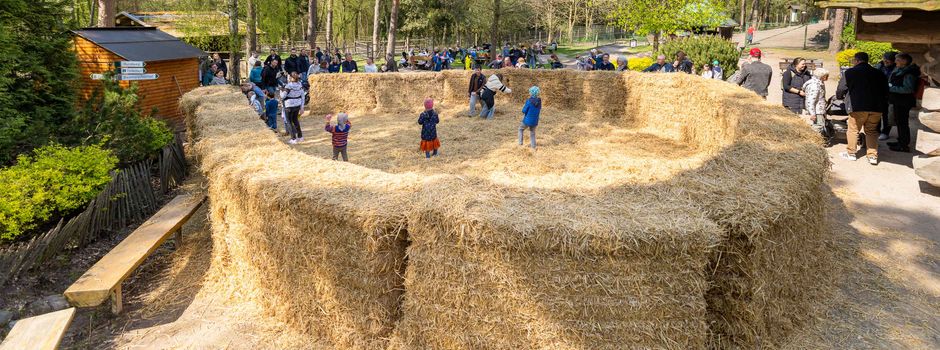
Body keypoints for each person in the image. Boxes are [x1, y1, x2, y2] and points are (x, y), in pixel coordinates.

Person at [836, 52, 889, 164]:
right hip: (876, 107)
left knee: (853, 130)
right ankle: (872, 156)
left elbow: (841, 89)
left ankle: (851, 153)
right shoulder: (879, 73)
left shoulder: (850, 72)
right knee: (872, 131)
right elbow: (886, 91)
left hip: (857, 106)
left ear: (856, 60)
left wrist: (840, 97)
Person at [887, 53, 920, 153]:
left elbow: (908, 89)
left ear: (904, 61)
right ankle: (900, 141)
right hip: (898, 100)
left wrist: (891, 88)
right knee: (899, 122)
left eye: (898, 60)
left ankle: (903, 145)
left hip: (903, 101)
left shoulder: (909, 73)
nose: (895, 61)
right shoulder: (901, 70)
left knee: (902, 123)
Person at [802, 68, 830, 141]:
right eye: (826, 76)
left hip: (820, 108)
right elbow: (811, 100)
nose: (827, 77)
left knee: (820, 125)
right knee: (818, 126)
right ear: (822, 76)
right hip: (817, 110)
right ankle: (812, 141)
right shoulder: (815, 85)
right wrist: (812, 113)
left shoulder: (819, 83)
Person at [876, 52, 898, 140]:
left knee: (887, 115)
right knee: (877, 113)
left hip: (890, 94)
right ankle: (876, 131)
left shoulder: (896, 68)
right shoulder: (880, 66)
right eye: (884, 59)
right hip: (879, 93)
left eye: (888, 60)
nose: (885, 61)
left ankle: (885, 132)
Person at [281, 73, 305, 144]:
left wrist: (281, 91)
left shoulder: (288, 86)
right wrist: (302, 107)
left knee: (289, 121)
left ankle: (293, 138)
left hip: (289, 105)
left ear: (291, 78)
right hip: (297, 105)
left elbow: (283, 96)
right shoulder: (300, 85)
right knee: (295, 120)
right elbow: (302, 96)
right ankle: (300, 136)